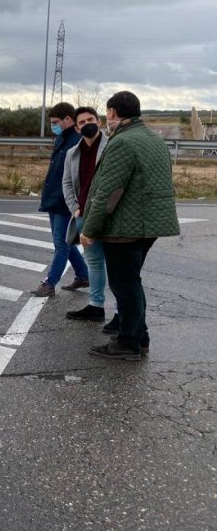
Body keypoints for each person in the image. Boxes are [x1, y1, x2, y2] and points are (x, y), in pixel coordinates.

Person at [80, 91, 180, 360]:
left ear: (113, 112)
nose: (106, 117)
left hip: (126, 226)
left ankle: (128, 342)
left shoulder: (123, 142)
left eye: (107, 113)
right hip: (150, 224)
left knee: (125, 285)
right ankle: (138, 335)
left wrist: (89, 228)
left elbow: (108, 191)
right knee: (131, 282)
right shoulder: (154, 140)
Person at [30, 102, 89, 297]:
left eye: (56, 122)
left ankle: (49, 283)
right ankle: (83, 276)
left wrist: (76, 203)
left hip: (66, 202)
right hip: (54, 199)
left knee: (61, 244)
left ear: (68, 119)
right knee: (65, 242)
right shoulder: (61, 139)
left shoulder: (78, 141)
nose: (53, 126)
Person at [61, 107, 109, 321]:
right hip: (83, 216)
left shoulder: (112, 146)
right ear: (78, 128)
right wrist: (74, 207)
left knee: (117, 265)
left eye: (91, 119)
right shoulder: (73, 152)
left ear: (98, 121)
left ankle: (121, 313)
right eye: (82, 122)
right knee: (95, 262)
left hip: (109, 215)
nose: (87, 124)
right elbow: (67, 182)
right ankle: (96, 306)